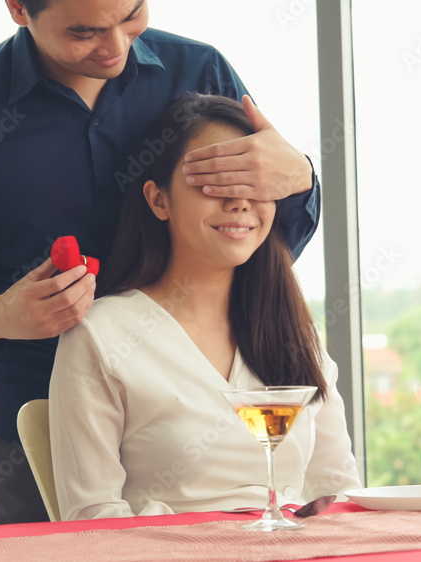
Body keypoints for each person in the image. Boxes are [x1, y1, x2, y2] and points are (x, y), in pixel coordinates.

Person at [0, 0, 321, 525]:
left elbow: (252, 231)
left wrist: (300, 176)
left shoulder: (199, 71)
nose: (116, 47)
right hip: (34, 405)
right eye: (84, 32)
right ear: (19, 8)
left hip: (204, 407)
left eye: (132, 14)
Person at [48, 93, 360, 520]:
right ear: (159, 200)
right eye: (212, 181)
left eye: (253, 181)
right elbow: (92, 517)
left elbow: (337, 493)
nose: (238, 201)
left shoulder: (290, 328)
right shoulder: (102, 336)